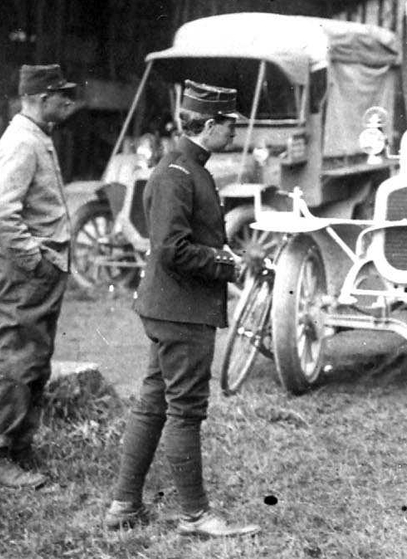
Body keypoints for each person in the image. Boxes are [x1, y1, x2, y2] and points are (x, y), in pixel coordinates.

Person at [103, 81, 259, 537]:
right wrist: (225, 262)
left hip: (171, 307)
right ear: (209, 126)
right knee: (185, 410)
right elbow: (171, 248)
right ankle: (195, 515)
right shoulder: (178, 173)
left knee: (153, 404)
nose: (233, 134)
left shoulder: (187, 167)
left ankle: (123, 506)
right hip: (182, 312)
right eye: (229, 126)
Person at [0, 64, 77, 488]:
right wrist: (33, 260)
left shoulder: (35, 137)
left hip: (38, 270)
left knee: (32, 357)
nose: (67, 103)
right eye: (60, 96)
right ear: (39, 99)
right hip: (26, 271)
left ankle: (17, 447)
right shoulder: (22, 140)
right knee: (12, 357)